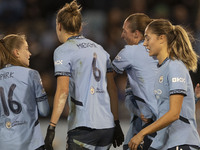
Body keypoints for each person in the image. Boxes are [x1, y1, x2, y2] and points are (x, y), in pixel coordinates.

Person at [44, 0, 124, 150]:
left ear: (59, 26)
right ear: (80, 27)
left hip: (84, 127)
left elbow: (63, 91)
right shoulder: (100, 49)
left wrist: (51, 127)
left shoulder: (63, 50)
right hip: (107, 126)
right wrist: (117, 122)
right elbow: (112, 89)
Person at [128, 19, 200, 150]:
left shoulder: (175, 67)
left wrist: (142, 133)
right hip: (163, 142)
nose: (144, 43)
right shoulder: (162, 68)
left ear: (161, 38)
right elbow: (171, 107)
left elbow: (174, 114)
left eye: (148, 39)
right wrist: (192, 99)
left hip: (180, 142)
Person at [112, 13, 158, 150]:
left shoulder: (130, 52)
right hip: (165, 124)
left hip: (151, 126)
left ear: (137, 34)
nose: (122, 35)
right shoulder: (166, 53)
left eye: (124, 31)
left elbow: (105, 76)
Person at [0, 34, 50, 150]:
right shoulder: (31, 74)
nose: (30, 54)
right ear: (16, 52)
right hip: (31, 143)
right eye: (26, 49)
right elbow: (44, 110)